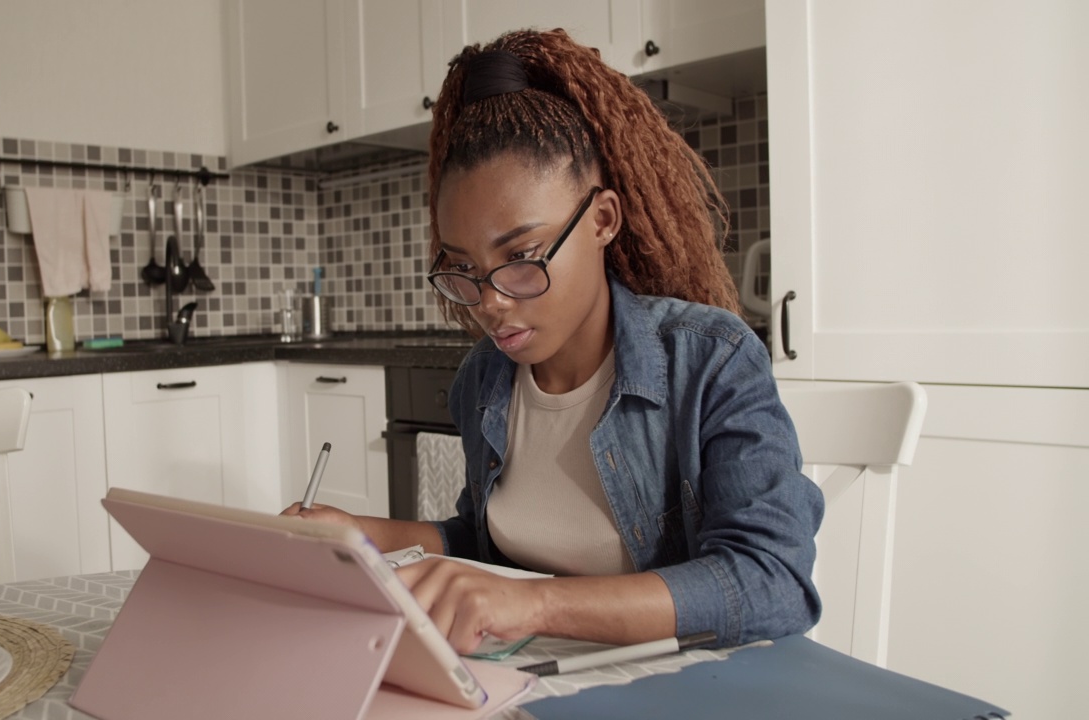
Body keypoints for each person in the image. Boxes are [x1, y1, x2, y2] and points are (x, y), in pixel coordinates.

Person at [284, 28, 824, 655]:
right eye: (464, 267)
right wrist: (360, 535)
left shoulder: (709, 360)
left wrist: (533, 604)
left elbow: (772, 582)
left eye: (522, 256)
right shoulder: (486, 378)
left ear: (602, 220)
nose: (491, 302)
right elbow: (489, 545)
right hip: (526, 676)